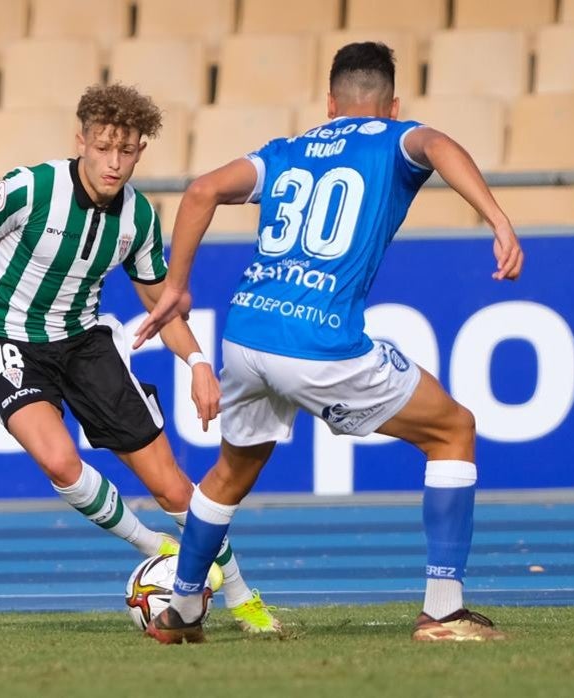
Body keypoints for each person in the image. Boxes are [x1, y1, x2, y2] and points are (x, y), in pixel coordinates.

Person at [132, 42, 523, 643]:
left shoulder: (285, 151)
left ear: (330, 102)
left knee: (231, 473)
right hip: (316, 341)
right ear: (392, 105)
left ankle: (182, 609)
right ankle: (444, 611)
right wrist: (496, 218)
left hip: (245, 330)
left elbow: (201, 190)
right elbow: (439, 145)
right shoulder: (394, 139)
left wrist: (178, 285)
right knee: (453, 430)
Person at [0, 83, 282, 632]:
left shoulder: (139, 220)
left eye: (126, 150)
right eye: (103, 147)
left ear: (140, 151)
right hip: (7, 340)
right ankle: (154, 545)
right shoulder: (31, 188)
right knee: (59, 460)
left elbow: (161, 305)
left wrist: (198, 363)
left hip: (85, 342)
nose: (114, 161)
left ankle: (244, 597)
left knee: (174, 486)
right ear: (80, 140)